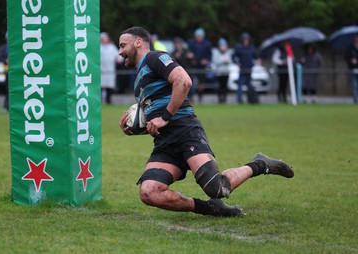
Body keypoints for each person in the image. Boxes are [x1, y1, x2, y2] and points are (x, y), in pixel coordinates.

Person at [118, 26, 294, 217]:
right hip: (165, 142)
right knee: (149, 192)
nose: (120, 52)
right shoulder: (139, 81)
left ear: (138, 42)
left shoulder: (154, 58)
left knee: (217, 188)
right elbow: (155, 118)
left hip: (186, 132)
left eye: (122, 45)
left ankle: (261, 164)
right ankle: (210, 208)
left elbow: (183, 81)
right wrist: (135, 129)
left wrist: (165, 117)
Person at [232, 32, 260, 104]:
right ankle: (239, 99)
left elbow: (256, 57)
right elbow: (233, 57)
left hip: (249, 69)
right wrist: (237, 63)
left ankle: (250, 99)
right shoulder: (239, 48)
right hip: (242, 69)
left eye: (247, 40)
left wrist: (258, 60)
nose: (246, 41)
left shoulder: (251, 48)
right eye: (245, 40)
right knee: (240, 85)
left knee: (249, 85)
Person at [187, 28, 213, 102]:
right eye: (197, 36)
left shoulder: (207, 44)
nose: (199, 38)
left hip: (202, 66)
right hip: (192, 66)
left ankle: (200, 98)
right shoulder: (191, 43)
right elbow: (188, 53)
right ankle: (190, 97)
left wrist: (206, 60)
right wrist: (191, 58)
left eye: (200, 36)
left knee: (201, 83)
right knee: (190, 82)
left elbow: (209, 55)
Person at [100, 32, 121, 104]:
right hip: (101, 71)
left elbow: (118, 55)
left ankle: (108, 101)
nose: (104, 40)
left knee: (109, 87)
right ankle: (99, 102)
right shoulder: (99, 47)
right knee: (100, 86)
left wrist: (119, 59)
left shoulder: (112, 47)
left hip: (110, 70)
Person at [212, 38, 232, 103]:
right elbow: (215, 61)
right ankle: (220, 99)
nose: (223, 47)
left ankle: (224, 99)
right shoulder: (215, 52)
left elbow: (230, 61)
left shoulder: (229, 52)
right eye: (222, 45)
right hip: (219, 73)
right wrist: (223, 60)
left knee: (225, 86)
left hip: (226, 72)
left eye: (224, 45)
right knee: (219, 86)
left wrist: (225, 60)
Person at [0, 32, 9, 113]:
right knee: (7, 90)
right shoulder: (3, 48)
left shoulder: (16, 48)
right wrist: (5, 60)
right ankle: (6, 107)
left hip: (15, 72)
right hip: (7, 71)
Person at [344, 34, 358, 104]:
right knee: (354, 85)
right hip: (353, 68)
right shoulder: (350, 48)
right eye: (356, 38)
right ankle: (356, 100)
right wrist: (351, 61)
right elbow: (346, 58)